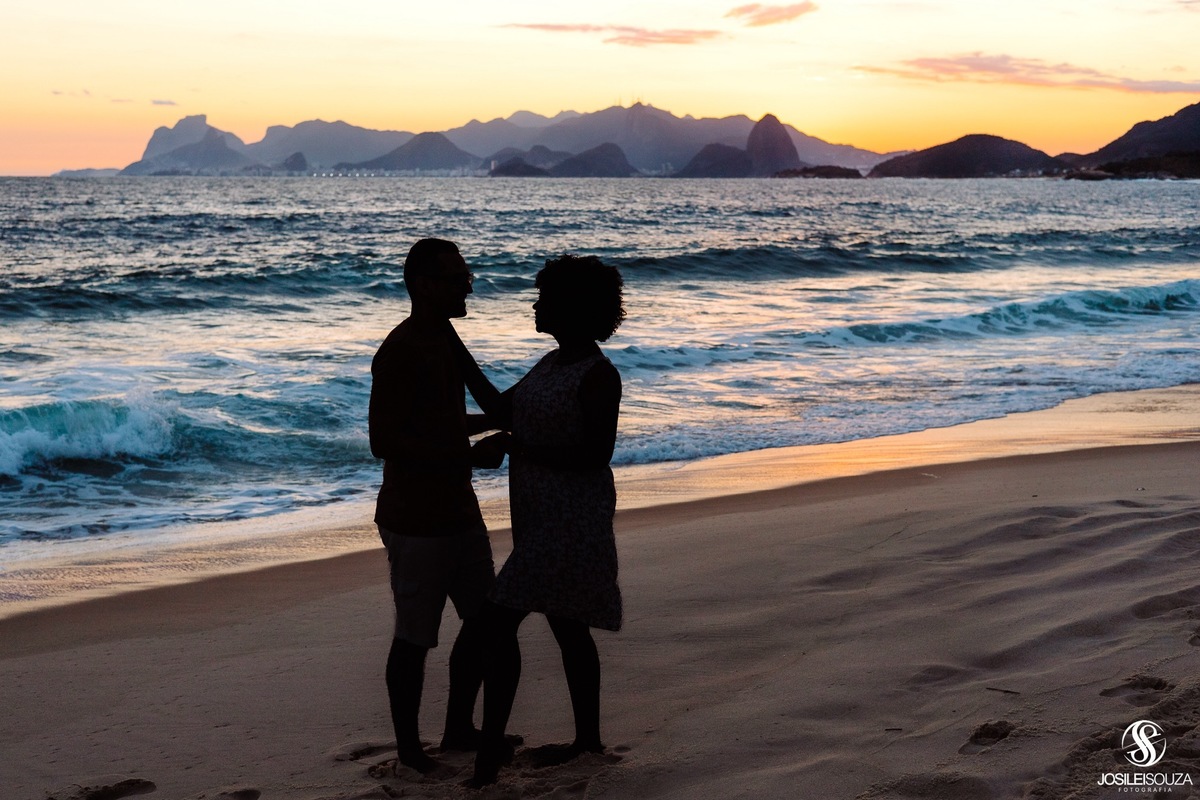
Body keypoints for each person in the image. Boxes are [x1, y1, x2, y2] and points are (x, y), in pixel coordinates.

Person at [456, 254, 626, 786]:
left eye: (545, 297)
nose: (535, 304)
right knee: (568, 626)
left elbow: (595, 455)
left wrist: (515, 445)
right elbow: (497, 410)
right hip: (540, 520)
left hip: (570, 522)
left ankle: (487, 762)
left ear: (571, 308)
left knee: (493, 624)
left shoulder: (598, 374)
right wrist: (453, 357)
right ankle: (588, 742)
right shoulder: (550, 365)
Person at [368, 238, 503, 774]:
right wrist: (471, 450)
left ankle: (457, 728)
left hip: (457, 506)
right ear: (424, 285)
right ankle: (408, 751)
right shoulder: (399, 350)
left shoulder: (445, 335)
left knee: (485, 618)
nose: (468, 285)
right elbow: (385, 440)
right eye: (456, 277)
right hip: (416, 515)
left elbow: (485, 405)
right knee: (414, 637)